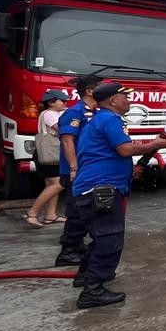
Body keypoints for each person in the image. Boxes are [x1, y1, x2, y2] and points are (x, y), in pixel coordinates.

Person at [68, 82, 166, 308]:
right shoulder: (109, 119)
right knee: (110, 240)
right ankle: (92, 291)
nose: (129, 101)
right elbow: (124, 149)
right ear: (112, 100)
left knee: (100, 237)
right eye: (124, 97)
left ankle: (85, 276)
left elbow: (106, 154)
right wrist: (153, 143)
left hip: (94, 188)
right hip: (101, 190)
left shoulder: (98, 120)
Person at [54, 75, 102, 268]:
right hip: (76, 170)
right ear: (90, 91)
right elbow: (67, 141)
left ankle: (77, 244)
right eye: (102, 87)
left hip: (88, 169)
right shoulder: (74, 113)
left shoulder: (94, 112)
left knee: (85, 209)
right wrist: (74, 167)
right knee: (76, 211)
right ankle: (68, 251)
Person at [25, 89, 69, 228]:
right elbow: (62, 129)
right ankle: (32, 213)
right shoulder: (50, 114)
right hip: (49, 154)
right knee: (58, 184)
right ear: (51, 103)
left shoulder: (51, 113)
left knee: (51, 185)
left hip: (49, 154)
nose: (65, 103)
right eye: (62, 101)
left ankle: (50, 215)